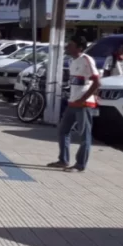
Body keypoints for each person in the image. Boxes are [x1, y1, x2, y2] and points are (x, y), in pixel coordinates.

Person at [50, 36, 100, 172]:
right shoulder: (72, 61)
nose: (67, 47)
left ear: (79, 48)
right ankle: (63, 160)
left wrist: (83, 99)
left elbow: (97, 82)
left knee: (84, 135)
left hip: (84, 104)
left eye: (70, 45)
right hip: (72, 102)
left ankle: (80, 165)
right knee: (63, 131)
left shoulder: (86, 60)